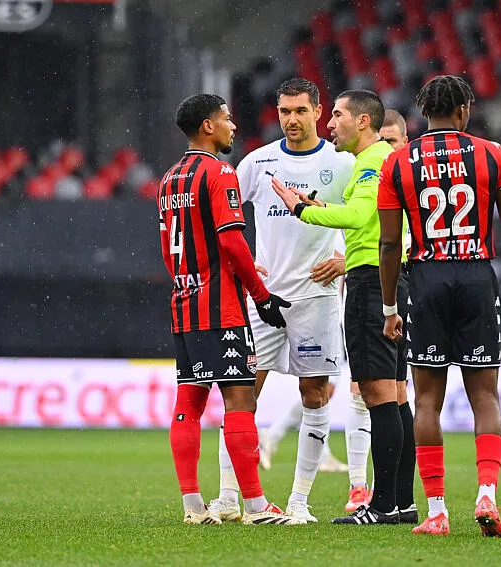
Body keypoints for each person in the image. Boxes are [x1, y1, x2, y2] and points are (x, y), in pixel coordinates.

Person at [378, 75, 501, 537]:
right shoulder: (491, 154)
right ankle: (486, 493)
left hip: (425, 279)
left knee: (427, 399)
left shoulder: (399, 162)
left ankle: (437, 511)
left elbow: (388, 244)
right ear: (464, 111)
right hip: (474, 276)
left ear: (425, 112)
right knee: (484, 396)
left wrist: (390, 308)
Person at [209, 78, 355, 524]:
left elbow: (370, 216)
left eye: (300, 111)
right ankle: (229, 498)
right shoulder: (258, 161)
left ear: (317, 111)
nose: (291, 119)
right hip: (264, 298)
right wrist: (245, 269)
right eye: (284, 111)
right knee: (241, 395)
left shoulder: (341, 163)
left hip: (317, 296)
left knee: (314, 393)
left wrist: (344, 256)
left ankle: (298, 504)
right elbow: (223, 217)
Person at [272, 90, 418, 526]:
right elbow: (367, 213)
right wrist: (322, 206)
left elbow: (357, 218)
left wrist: (301, 209)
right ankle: (402, 501)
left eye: (337, 115)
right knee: (394, 394)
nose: (330, 123)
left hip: (372, 280)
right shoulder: (379, 161)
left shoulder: (372, 160)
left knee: (376, 394)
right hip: (388, 277)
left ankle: (384, 504)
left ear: (364, 121)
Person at [157, 93, 301, 526]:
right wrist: (260, 295)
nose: (232, 126)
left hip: (185, 305)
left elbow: (170, 250)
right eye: (225, 119)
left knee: (188, 404)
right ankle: (256, 506)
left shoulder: (169, 178)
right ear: (207, 126)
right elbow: (232, 241)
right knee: (240, 401)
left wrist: (193, 278)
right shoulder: (219, 172)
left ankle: (193, 506)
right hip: (222, 310)